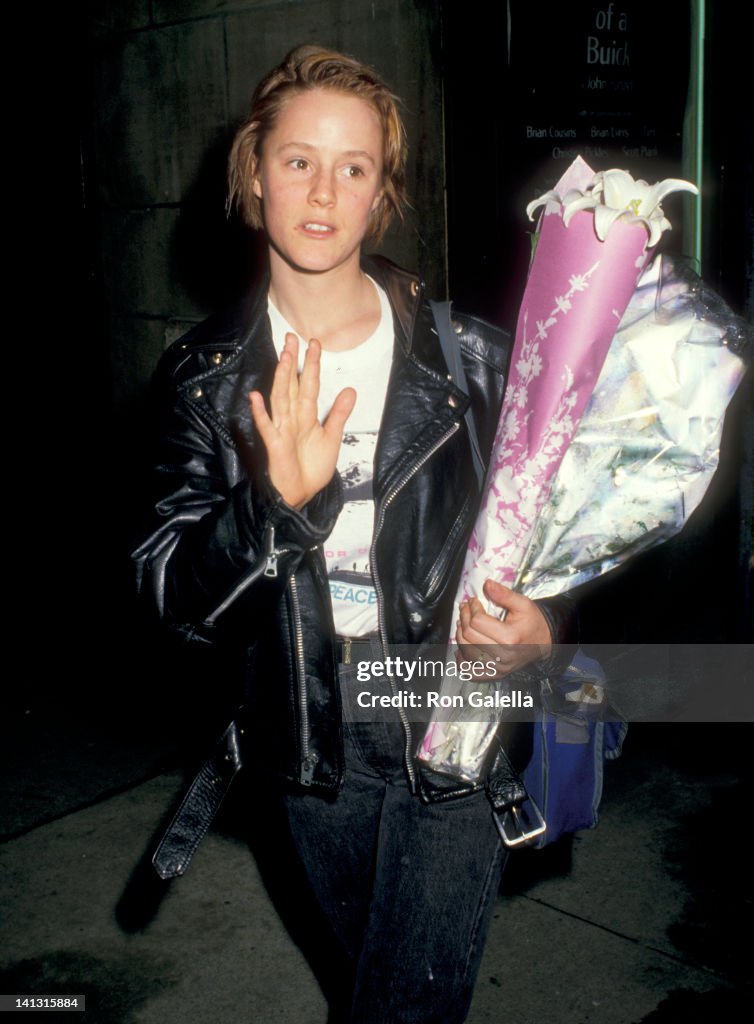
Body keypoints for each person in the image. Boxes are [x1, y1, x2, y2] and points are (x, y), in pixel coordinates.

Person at [132, 45, 579, 1024]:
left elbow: (555, 524)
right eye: (298, 160)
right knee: (369, 987)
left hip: (450, 720)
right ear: (253, 171)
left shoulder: (469, 359)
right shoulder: (204, 380)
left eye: (355, 166)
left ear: (384, 193)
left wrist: (547, 636)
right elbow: (169, 600)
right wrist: (275, 507)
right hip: (305, 745)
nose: (323, 190)